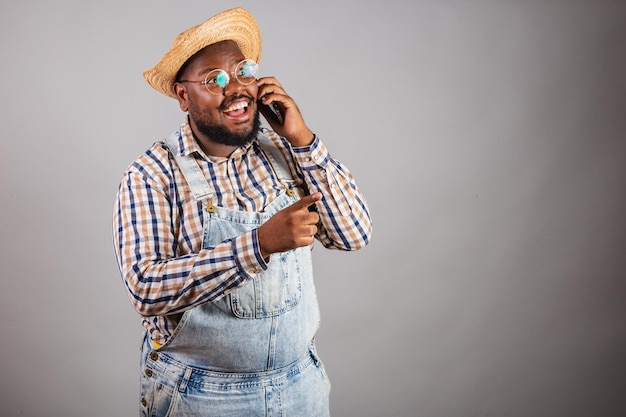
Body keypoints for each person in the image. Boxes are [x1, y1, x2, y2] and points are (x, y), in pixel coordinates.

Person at [113, 7, 372, 417]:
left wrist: (303, 139)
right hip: (201, 394)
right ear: (184, 96)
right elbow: (145, 288)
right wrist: (259, 244)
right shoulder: (153, 173)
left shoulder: (285, 150)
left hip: (300, 385)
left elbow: (353, 234)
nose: (235, 88)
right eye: (213, 79)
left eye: (243, 71)